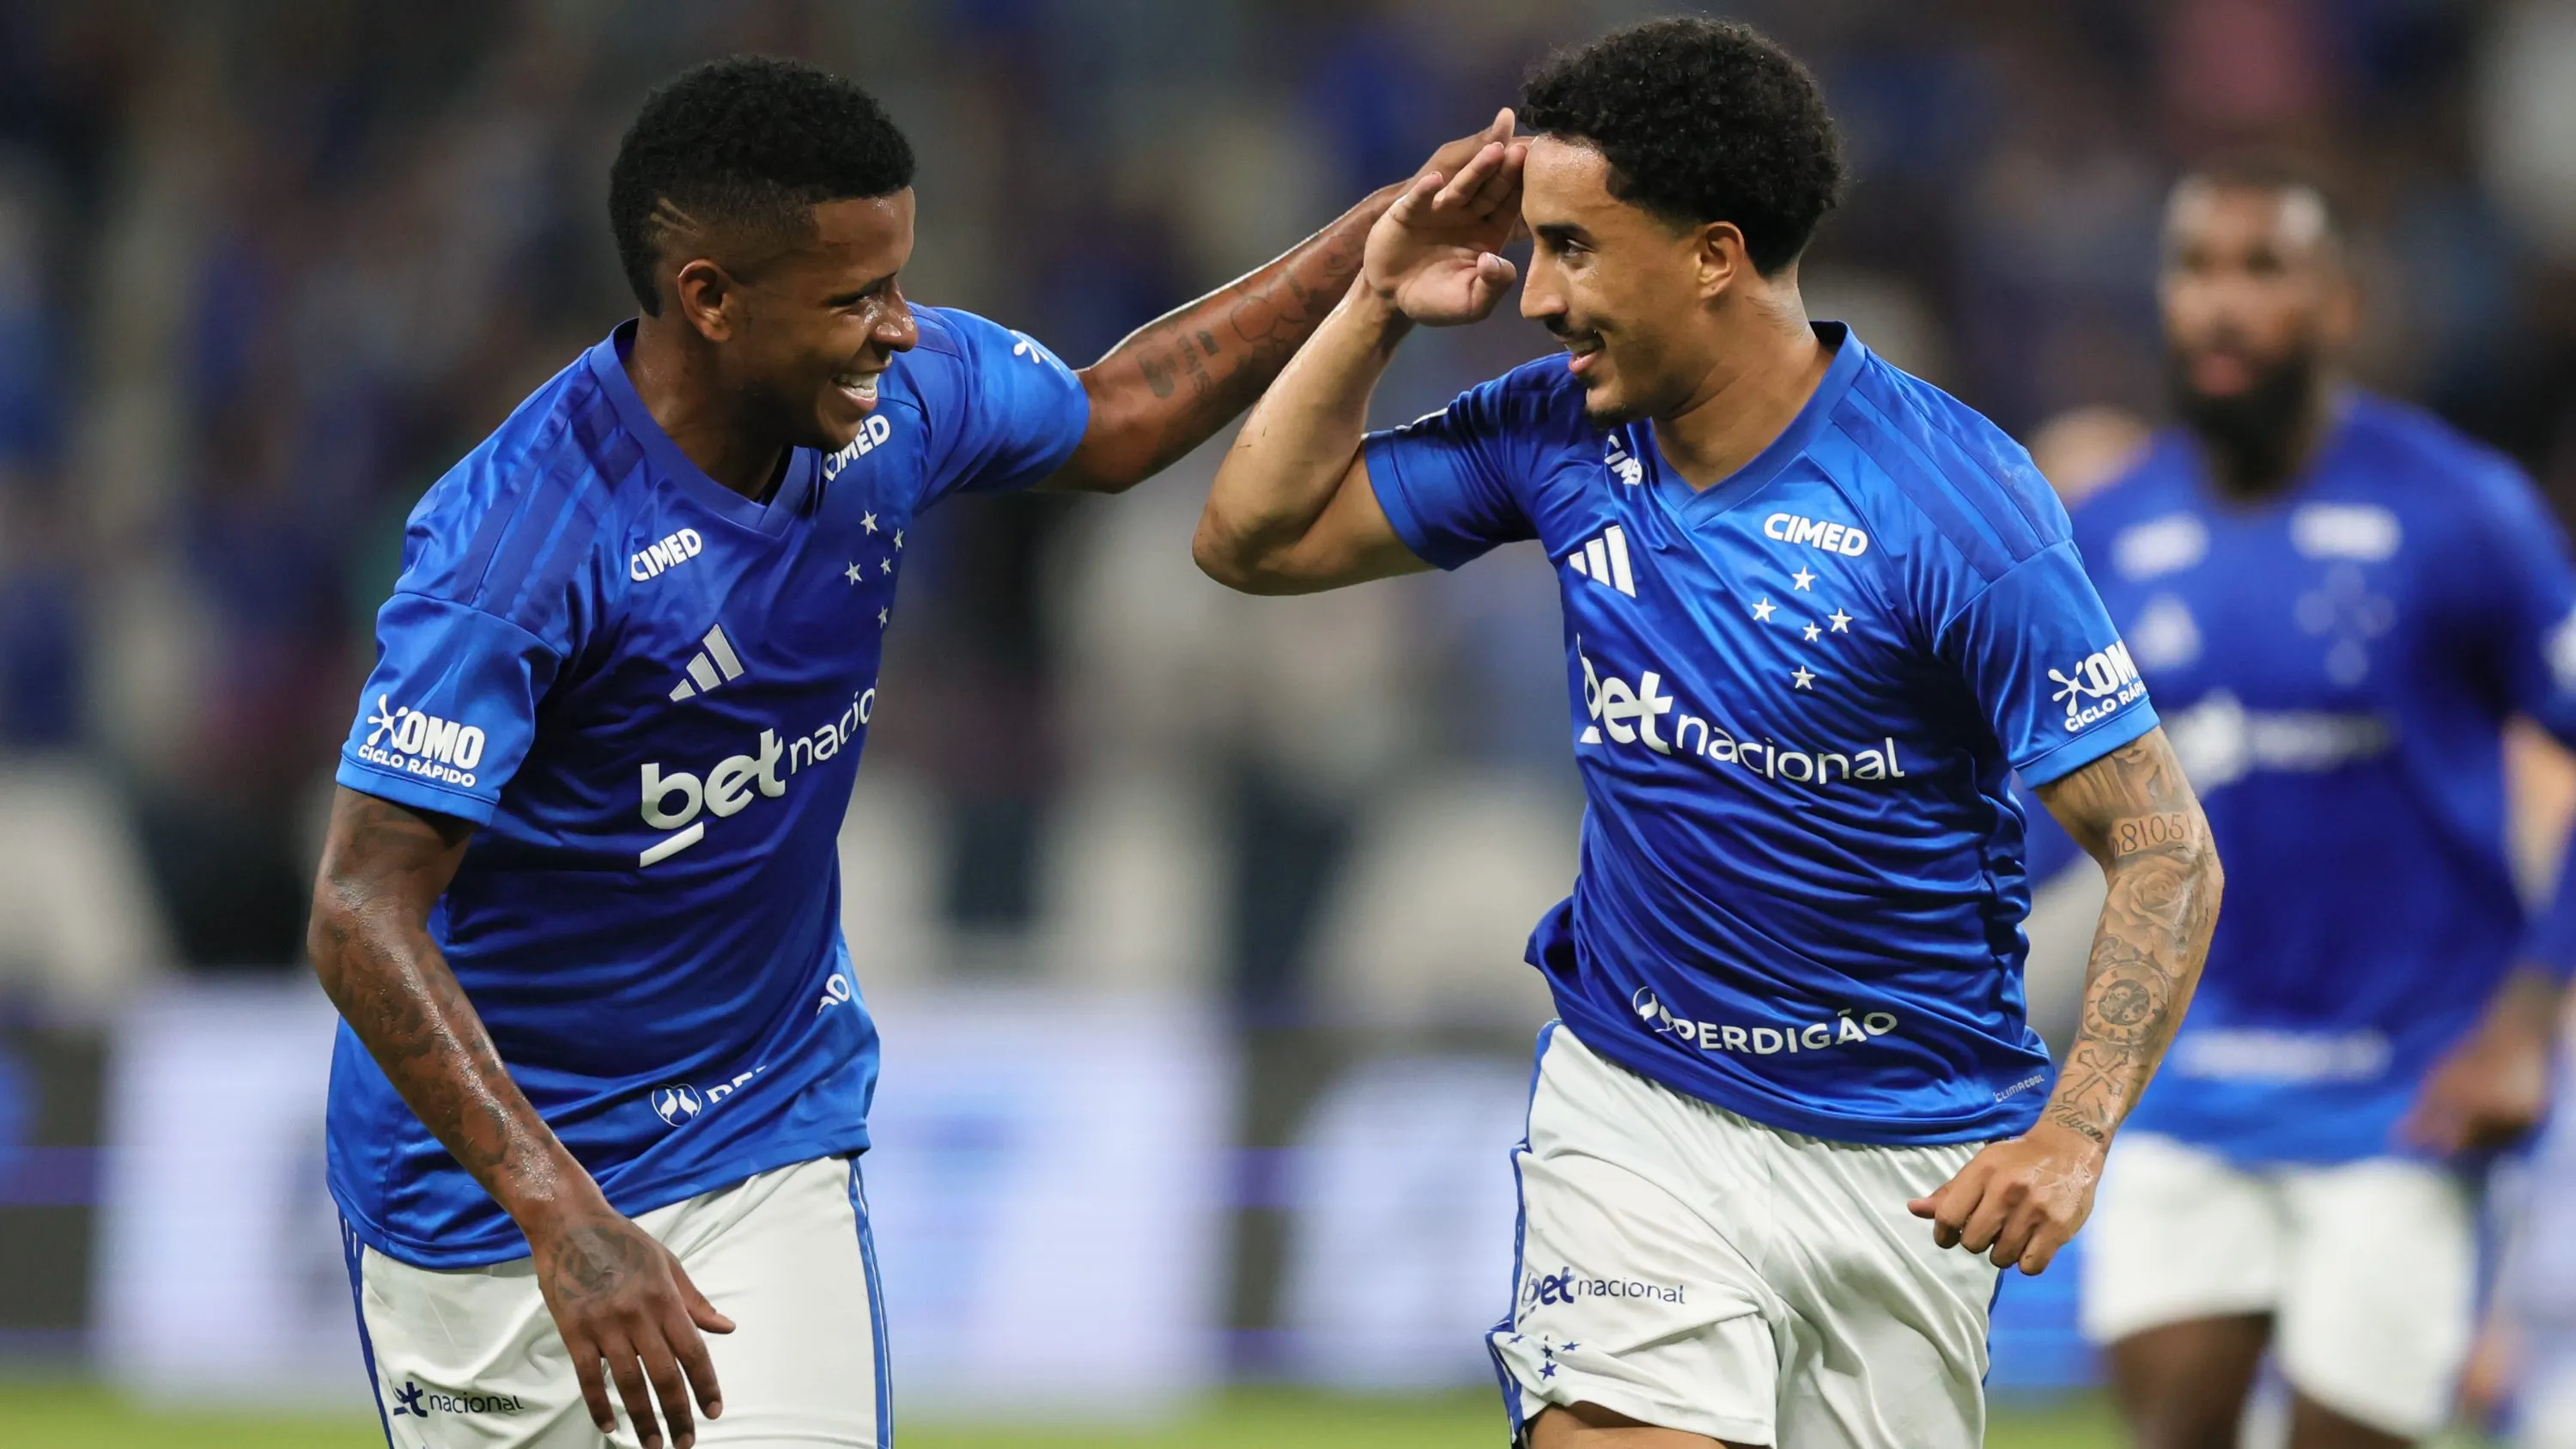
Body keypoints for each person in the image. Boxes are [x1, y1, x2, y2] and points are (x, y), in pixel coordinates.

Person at [306, 55, 1506, 1449]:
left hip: (760, 1127)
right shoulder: (519, 543)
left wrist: (1371, 247)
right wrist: (563, 1213)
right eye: (853, 298)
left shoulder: (898, 407)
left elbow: (1114, 417)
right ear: (710, 298)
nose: (899, 329)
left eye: (899, 281)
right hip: (491, 1202)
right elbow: (357, 907)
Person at [1194, 18, 2223, 1449]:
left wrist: (2075, 1130)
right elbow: (1253, 536)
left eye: (1572, 248)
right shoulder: (1556, 437)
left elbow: (2166, 845)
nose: (1535, 295)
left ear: (1713, 254)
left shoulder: (1949, 504)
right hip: (1640, 1105)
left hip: (1906, 1156)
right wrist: (1375, 296)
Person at [2053, 159, 2576, 1449]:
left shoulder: (2462, 512)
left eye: (2263, 269)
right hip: (2186, 1083)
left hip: (2405, 1091)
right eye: (2195, 269)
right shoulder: (2111, 534)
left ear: (2341, 305)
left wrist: (2528, 1013)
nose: (2222, 305)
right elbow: (2047, 804)